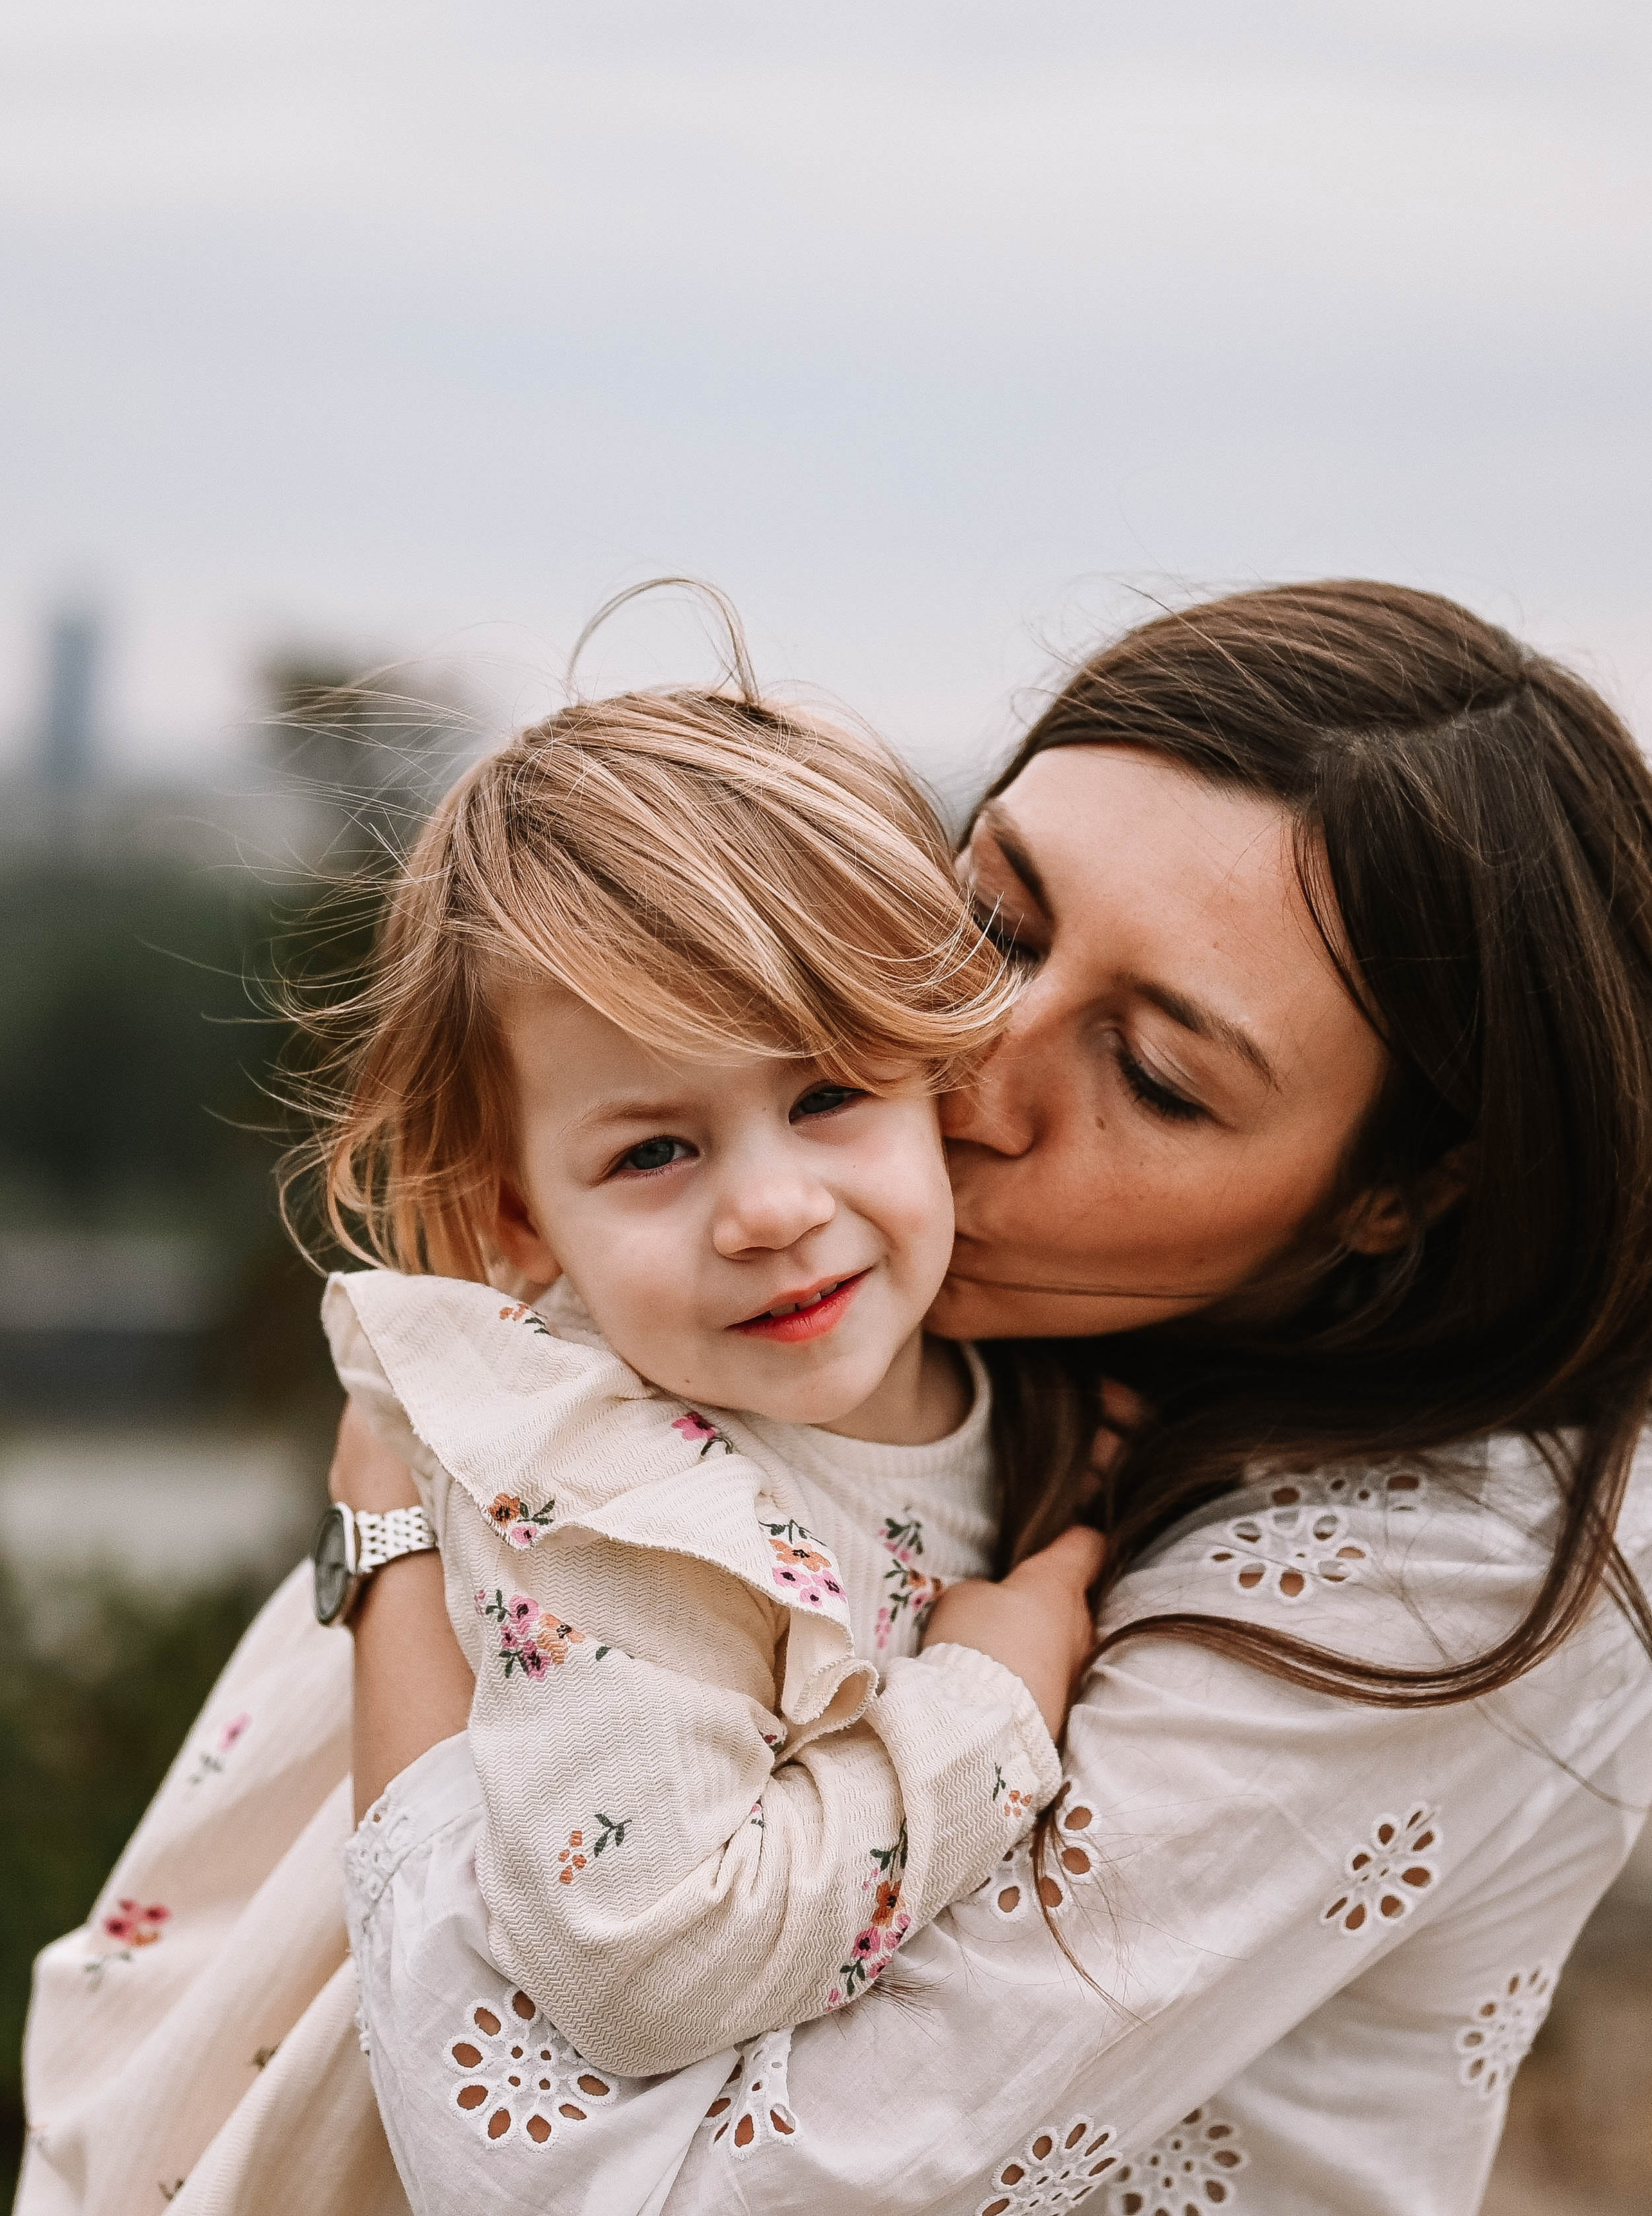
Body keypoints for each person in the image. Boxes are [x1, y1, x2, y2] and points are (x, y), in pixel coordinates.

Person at [17, 580, 1652, 2216]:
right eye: (988, 920)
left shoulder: (1480, 1549)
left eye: (1149, 1074)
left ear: (1398, 1196)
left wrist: (390, 1533)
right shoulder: (721, 1357)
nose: (963, 1056)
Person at [316, 684, 1098, 2113]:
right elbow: (644, 1967)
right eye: (654, 1150)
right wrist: (994, 1696)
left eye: (823, 1099)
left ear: (938, 1076)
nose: (769, 1210)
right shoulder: (607, 1498)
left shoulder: (1027, 1377)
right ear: (523, 1220)